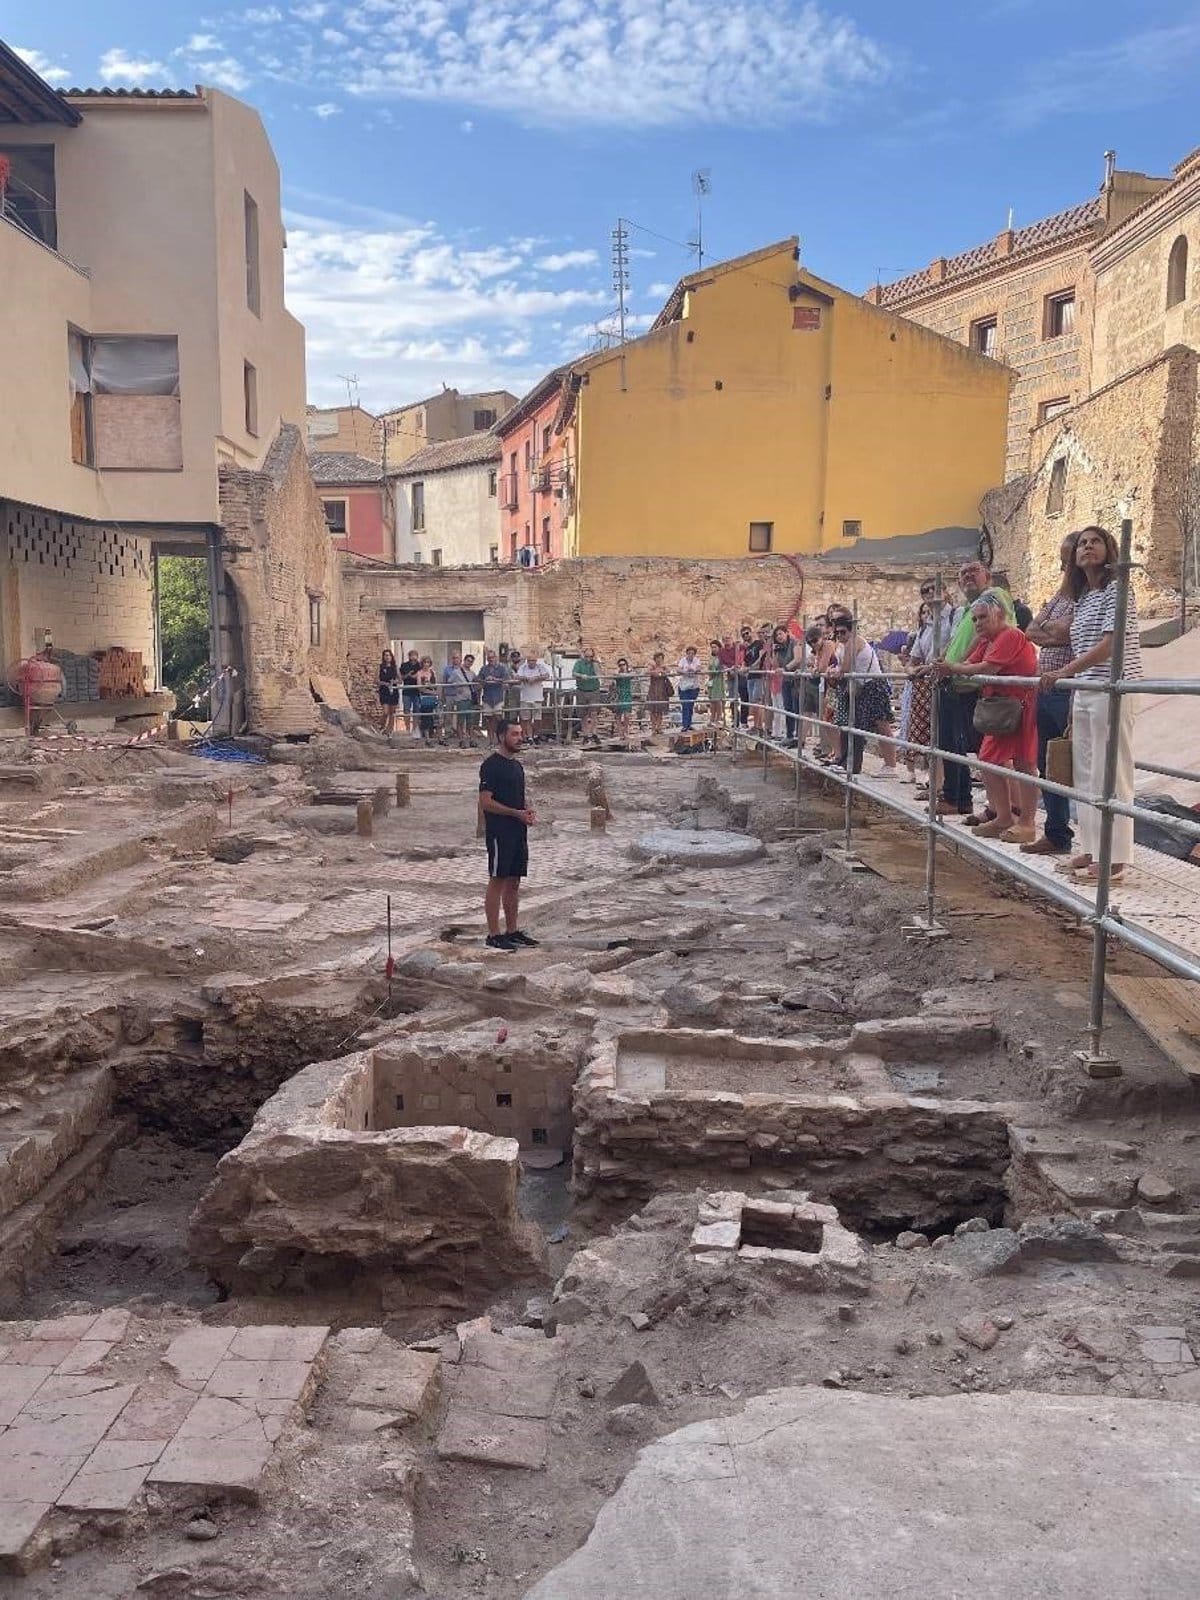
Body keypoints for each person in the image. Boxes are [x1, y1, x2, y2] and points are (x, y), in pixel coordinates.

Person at [1041, 524, 1143, 883]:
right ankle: (1091, 846)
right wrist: (1073, 688)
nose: (1087, 547)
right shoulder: (1084, 598)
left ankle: (1115, 859)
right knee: (1084, 771)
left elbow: (1108, 646)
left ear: (1109, 548)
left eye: (1095, 541)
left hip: (1111, 688)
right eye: (1082, 544)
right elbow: (1052, 633)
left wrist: (1064, 673)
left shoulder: (1118, 589)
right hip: (1085, 690)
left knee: (1111, 770)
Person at [936, 589, 1039, 842]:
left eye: (982, 618)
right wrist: (948, 667)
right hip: (1000, 707)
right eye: (975, 619)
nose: (978, 623)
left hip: (1019, 706)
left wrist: (952, 669)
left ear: (1000, 615)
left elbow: (985, 667)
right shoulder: (988, 640)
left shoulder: (1010, 636)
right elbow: (969, 661)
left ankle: (1027, 822)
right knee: (987, 759)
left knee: (1024, 763)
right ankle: (1003, 816)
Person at [937, 559, 1015, 816]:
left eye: (974, 571)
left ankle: (1007, 810)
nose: (968, 576)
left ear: (988, 576)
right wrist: (945, 663)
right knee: (955, 745)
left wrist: (957, 666)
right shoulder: (967, 610)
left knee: (992, 752)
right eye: (963, 573)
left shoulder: (993, 596)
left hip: (974, 683)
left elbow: (984, 637)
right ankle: (961, 799)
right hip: (959, 680)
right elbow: (959, 642)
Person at [1020, 534, 1078, 857]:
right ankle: (1057, 832)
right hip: (1047, 689)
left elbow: (1072, 634)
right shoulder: (1059, 597)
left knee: (1080, 765)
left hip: (1071, 690)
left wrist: (1054, 635)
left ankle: (1096, 844)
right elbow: (1031, 630)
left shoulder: (1089, 597)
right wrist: (1056, 635)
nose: (1063, 565)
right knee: (1049, 762)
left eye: (1067, 557)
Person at [478, 718, 539, 952]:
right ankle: (493, 934)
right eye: (514, 734)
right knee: (497, 880)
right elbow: (485, 801)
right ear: (502, 736)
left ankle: (512, 930)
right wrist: (515, 813)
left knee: (514, 881)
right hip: (499, 832)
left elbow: (518, 797)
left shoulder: (517, 766)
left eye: (520, 733)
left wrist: (526, 812)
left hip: (518, 830)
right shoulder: (491, 766)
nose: (520, 738)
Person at [827, 614, 892, 775]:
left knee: (881, 725)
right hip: (862, 687)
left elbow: (846, 668)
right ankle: (849, 763)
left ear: (851, 631)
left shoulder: (854, 641)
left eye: (843, 632)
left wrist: (835, 671)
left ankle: (891, 765)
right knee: (856, 726)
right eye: (837, 633)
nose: (840, 636)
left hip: (873, 685)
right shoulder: (844, 645)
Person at [441, 651, 475, 749]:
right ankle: (461, 740)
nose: (469, 663)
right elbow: (449, 681)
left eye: (471, 662)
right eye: (468, 661)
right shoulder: (456, 672)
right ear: (464, 661)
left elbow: (475, 682)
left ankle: (471, 739)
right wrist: (457, 687)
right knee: (460, 719)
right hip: (459, 698)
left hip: (469, 699)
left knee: (470, 721)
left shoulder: (472, 673)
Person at [516, 648, 552, 739]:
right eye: (530, 660)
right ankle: (528, 736)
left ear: (536, 661)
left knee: (537, 719)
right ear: (527, 661)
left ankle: (535, 735)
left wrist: (536, 678)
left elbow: (547, 675)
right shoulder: (523, 667)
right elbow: (517, 676)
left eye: (533, 660)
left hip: (537, 697)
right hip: (525, 697)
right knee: (525, 718)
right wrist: (526, 679)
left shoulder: (540, 667)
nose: (532, 662)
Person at [478, 649, 511, 743]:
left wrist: (495, 679)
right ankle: (491, 740)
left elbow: (506, 679)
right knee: (489, 720)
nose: (491, 659)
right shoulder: (484, 668)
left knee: (499, 719)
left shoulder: (502, 668)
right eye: (489, 658)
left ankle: (501, 739)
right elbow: (478, 679)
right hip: (487, 697)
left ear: (496, 657)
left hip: (498, 697)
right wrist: (484, 680)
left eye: (492, 657)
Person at [572, 647, 603, 745]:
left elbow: (599, 674)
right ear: (583, 655)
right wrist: (581, 675)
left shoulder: (595, 663)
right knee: (583, 714)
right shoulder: (579, 663)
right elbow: (574, 673)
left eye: (590, 656)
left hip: (594, 690)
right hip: (582, 690)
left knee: (594, 713)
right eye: (586, 656)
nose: (588, 658)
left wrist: (596, 662)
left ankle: (594, 733)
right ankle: (585, 735)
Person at [676, 645, 702, 731]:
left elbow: (699, 668)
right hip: (684, 687)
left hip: (693, 686)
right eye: (689, 653)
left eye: (692, 653)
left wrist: (694, 670)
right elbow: (678, 669)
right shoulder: (683, 660)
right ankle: (684, 725)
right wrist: (685, 672)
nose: (690, 655)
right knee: (685, 705)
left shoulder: (696, 660)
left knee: (691, 706)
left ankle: (689, 724)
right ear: (686, 654)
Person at [646, 652, 673, 735]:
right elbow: (647, 672)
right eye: (657, 658)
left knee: (660, 710)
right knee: (653, 710)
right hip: (653, 690)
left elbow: (669, 672)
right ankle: (653, 728)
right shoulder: (652, 667)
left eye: (661, 658)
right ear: (655, 659)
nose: (659, 660)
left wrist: (663, 669)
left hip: (662, 690)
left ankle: (659, 727)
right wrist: (656, 671)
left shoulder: (664, 667)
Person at [734, 627, 754, 726]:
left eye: (747, 633)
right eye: (743, 635)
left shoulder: (756, 646)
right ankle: (743, 722)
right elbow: (737, 663)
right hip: (743, 677)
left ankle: (755, 723)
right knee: (744, 699)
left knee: (755, 700)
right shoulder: (741, 650)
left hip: (753, 676)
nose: (746, 636)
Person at [415, 656, 439, 740]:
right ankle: (427, 736)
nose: (426, 664)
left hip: (432, 696)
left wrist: (431, 687)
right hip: (424, 697)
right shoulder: (419, 673)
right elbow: (420, 687)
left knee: (435, 716)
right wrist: (429, 690)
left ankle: (436, 736)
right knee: (426, 716)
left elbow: (435, 685)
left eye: (428, 662)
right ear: (422, 663)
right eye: (425, 662)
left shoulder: (433, 672)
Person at [399, 648, 421, 735]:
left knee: (416, 710)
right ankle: (407, 728)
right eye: (411, 656)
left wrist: (416, 676)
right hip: (407, 691)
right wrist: (408, 675)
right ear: (409, 657)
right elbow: (401, 677)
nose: (413, 658)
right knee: (406, 710)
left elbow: (421, 675)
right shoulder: (404, 665)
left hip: (416, 691)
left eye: (415, 656)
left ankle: (415, 729)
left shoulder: (419, 666)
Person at [378, 648, 400, 736]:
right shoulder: (380, 667)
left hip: (393, 691)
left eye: (389, 655)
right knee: (385, 712)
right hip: (384, 690)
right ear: (383, 657)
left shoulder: (395, 667)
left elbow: (400, 680)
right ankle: (381, 726)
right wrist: (385, 683)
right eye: (385, 655)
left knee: (392, 712)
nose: (387, 657)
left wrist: (394, 682)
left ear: (391, 657)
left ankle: (389, 731)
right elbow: (376, 680)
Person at [613, 657, 635, 742]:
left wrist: (628, 671)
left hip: (627, 694)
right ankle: (620, 733)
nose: (622, 666)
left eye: (623, 664)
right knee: (618, 715)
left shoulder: (629, 672)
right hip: (619, 694)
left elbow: (634, 674)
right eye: (620, 665)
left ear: (626, 665)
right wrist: (618, 671)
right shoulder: (617, 672)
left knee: (627, 715)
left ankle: (626, 732)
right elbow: (613, 674)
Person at [706, 639, 726, 727]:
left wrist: (714, 671)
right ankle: (712, 718)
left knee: (718, 700)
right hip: (711, 680)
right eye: (712, 647)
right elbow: (709, 668)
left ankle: (719, 718)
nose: (713, 649)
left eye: (715, 647)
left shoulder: (721, 657)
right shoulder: (712, 658)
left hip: (718, 680)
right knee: (712, 701)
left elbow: (721, 668)